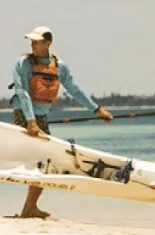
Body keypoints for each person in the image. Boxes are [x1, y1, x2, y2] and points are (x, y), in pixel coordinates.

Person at [9, 25, 113, 218]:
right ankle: (29, 208)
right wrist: (31, 121)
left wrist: (96, 109)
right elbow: (22, 92)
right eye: (31, 41)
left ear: (48, 43)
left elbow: (74, 89)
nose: (32, 44)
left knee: (44, 162)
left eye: (37, 41)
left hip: (40, 118)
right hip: (25, 115)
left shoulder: (59, 66)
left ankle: (29, 208)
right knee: (42, 160)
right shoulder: (23, 63)